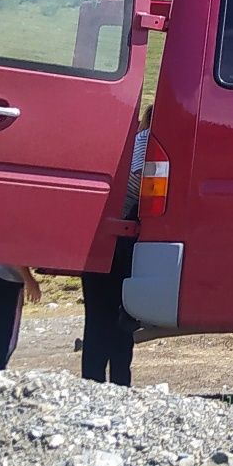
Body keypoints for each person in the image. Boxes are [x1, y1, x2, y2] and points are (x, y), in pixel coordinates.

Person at [81, 108, 146, 385]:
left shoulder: (128, 142)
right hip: (122, 239)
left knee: (97, 317)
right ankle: (120, 383)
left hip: (99, 236)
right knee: (121, 317)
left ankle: (93, 382)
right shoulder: (146, 143)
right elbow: (144, 183)